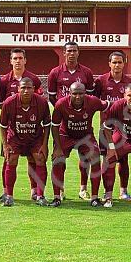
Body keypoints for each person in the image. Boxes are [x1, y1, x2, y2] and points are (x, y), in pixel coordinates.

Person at [47, 41, 95, 200]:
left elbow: (90, 98)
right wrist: (65, 111)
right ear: (64, 53)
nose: (72, 53)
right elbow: (52, 96)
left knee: (86, 156)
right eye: (69, 51)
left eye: (75, 50)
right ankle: (59, 190)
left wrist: (79, 112)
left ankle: (83, 188)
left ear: (78, 53)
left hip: (83, 123)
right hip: (62, 123)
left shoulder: (87, 72)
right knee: (59, 156)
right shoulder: (55, 72)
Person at [50, 82, 110, 207]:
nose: (78, 97)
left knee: (95, 158)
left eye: (81, 94)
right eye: (75, 94)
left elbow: (108, 106)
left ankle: (94, 197)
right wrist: (58, 147)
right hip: (66, 135)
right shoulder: (61, 104)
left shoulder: (93, 101)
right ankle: (57, 196)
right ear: (69, 94)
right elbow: (54, 126)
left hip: (85, 136)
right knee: (58, 160)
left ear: (85, 94)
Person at [0, 48, 43, 202]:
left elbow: (39, 101)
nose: (17, 61)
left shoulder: (33, 79)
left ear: (25, 60)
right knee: (9, 158)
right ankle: (6, 192)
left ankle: (34, 191)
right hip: (12, 128)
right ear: (10, 61)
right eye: (15, 58)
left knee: (32, 159)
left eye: (20, 58)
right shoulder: (3, 81)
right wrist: (13, 114)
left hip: (31, 127)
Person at [0, 77, 51, 207]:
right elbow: (3, 126)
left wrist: (44, 144)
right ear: (18, 89)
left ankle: (40, 195)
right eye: (23, 88)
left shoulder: (42, 102)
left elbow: (47, 124)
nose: (26, 91)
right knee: (11, 159)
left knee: (39, 158)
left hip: (35, 137)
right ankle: (9, 196)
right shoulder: (9, 103)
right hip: (15, 137)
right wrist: (5, 145)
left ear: (34, 89)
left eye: (29, 88)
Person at [94, 51, 131, 200]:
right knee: (107, 159)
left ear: (124, 63)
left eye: (120, 62)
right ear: (109, 63)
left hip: (124, 128)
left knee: (123, 159)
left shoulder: (130, 82)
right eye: (114, 62)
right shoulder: (100, 81)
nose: (117, 65)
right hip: (106, 128)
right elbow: (95, 102)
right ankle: (107, 191)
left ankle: (123, 191)